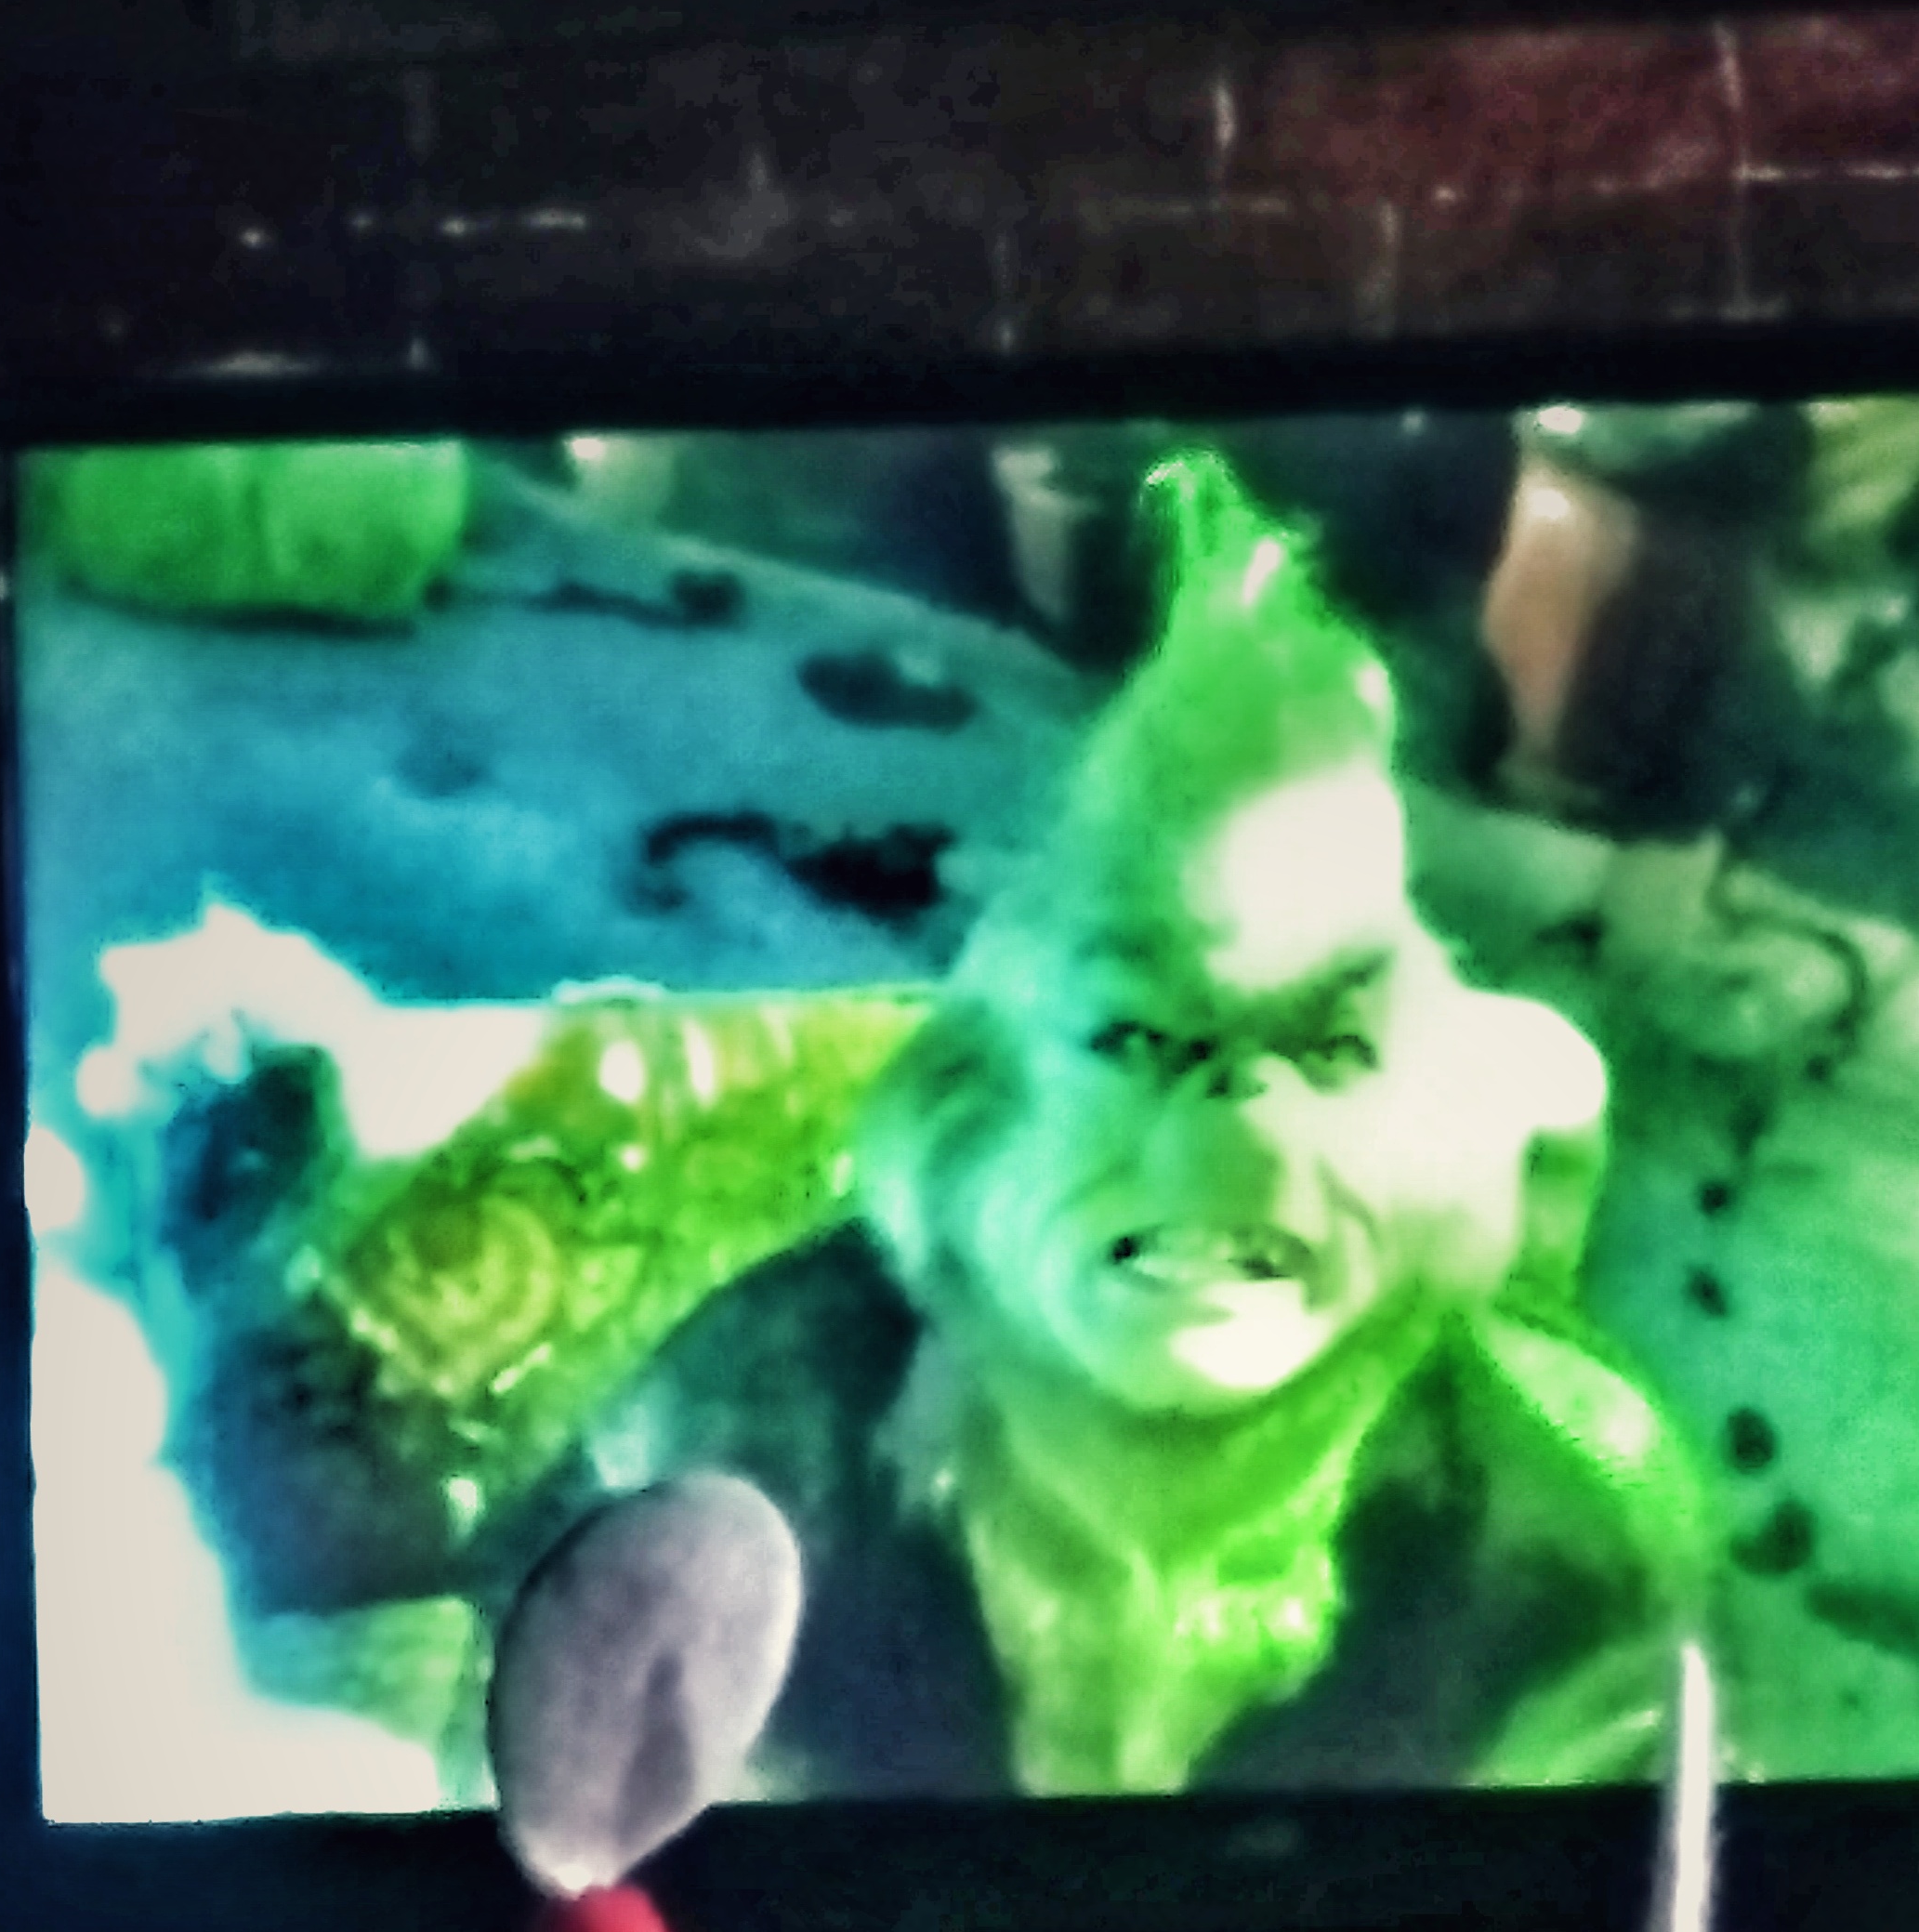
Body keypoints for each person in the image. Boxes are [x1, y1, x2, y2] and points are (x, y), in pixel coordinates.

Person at [611, 453, 1708, 1798]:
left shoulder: (1563, 1540)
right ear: (978, 1097)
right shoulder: (749, 1421)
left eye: (1325, 1052)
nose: (1234, 1151)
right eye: (1136, 1043)